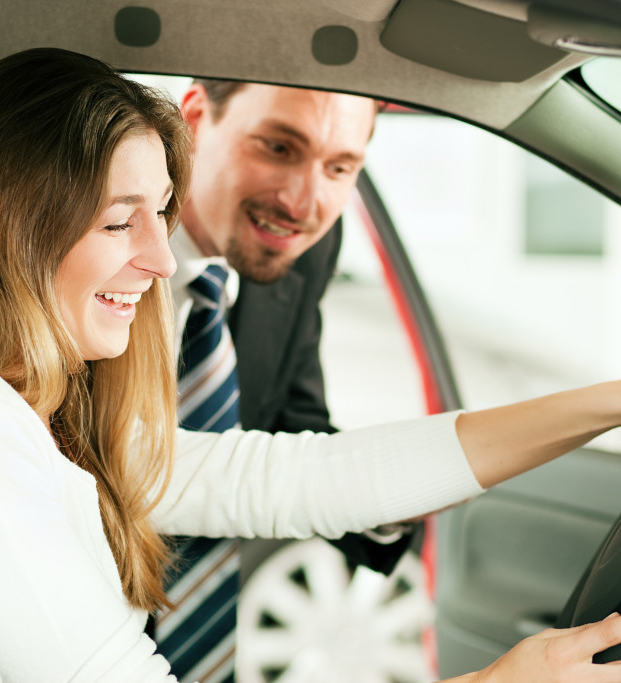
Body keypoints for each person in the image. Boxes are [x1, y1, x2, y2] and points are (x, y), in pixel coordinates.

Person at [0, 46, 621, 683]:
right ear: (7, 231)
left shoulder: (21, 415)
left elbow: (297, 476)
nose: (159, 258)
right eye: (120, 222)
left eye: (161, 211)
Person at [157, 80, 401, 682]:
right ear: (194, 120)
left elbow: (290, 419)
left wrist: (392, 492)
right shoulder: (88, 245)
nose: (303, 201)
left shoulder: (304, 247)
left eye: (340, 166)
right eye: (278, 148)